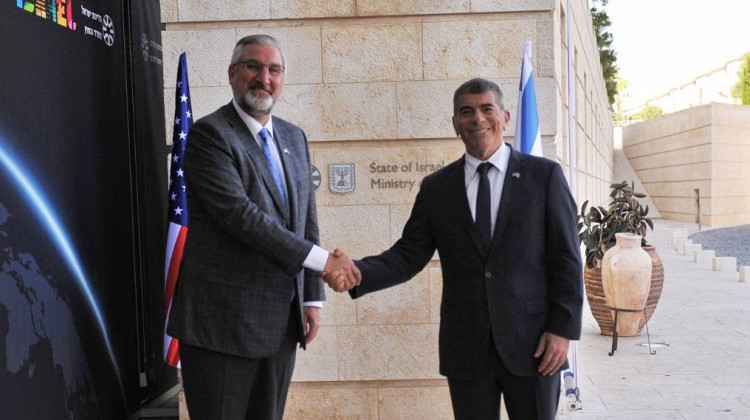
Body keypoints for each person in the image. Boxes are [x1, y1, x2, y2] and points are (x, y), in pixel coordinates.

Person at [325, 78, 583, 420]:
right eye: (466, 111)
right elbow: (407, 255)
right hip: (467, 349)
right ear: (454, 124)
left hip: (535, 346)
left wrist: (562, 330)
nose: (477, 118)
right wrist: (357, 273)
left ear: (505, 118)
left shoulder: (543, 176)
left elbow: (566, 258)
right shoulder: (437, 189)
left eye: (486, 109)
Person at [167, 34, 360, 420]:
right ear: (233, 73)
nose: (263, 77)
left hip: (280, 325)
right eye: (253, 67)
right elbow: (242, 216)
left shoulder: (293, 137)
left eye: (273, 69)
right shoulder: (210, 136)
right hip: (220, 327)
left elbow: (305, 219)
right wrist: (325, 262)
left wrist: (310, 298)